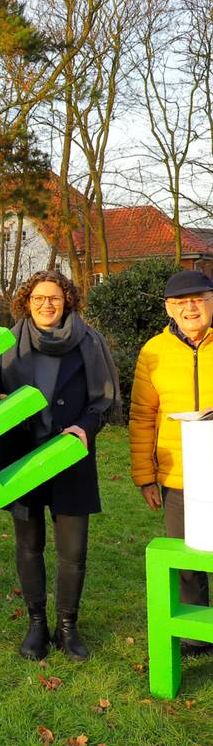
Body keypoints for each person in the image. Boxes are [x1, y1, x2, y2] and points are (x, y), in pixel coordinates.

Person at [0, 270, 119, 661]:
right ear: (27, 302)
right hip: (22, 457)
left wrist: (86, 426)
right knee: (29, 545)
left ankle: (68, 628)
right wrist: (8, 408)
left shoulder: (88, 343)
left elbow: (103, 400)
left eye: (55, 298)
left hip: (70, 457)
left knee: (73, 550)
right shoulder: (8, 343)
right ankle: (37, 625)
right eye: (39, 298)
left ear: (68, 301)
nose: (47, 304)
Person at [130, 269, 213, 654]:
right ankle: (197, 635)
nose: (190, 308)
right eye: (181, 303)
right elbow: (142, 416)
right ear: (168, 308)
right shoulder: (153, 352)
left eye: (199, 299)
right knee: (188, 555)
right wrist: (146, 476)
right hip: (178, 474)